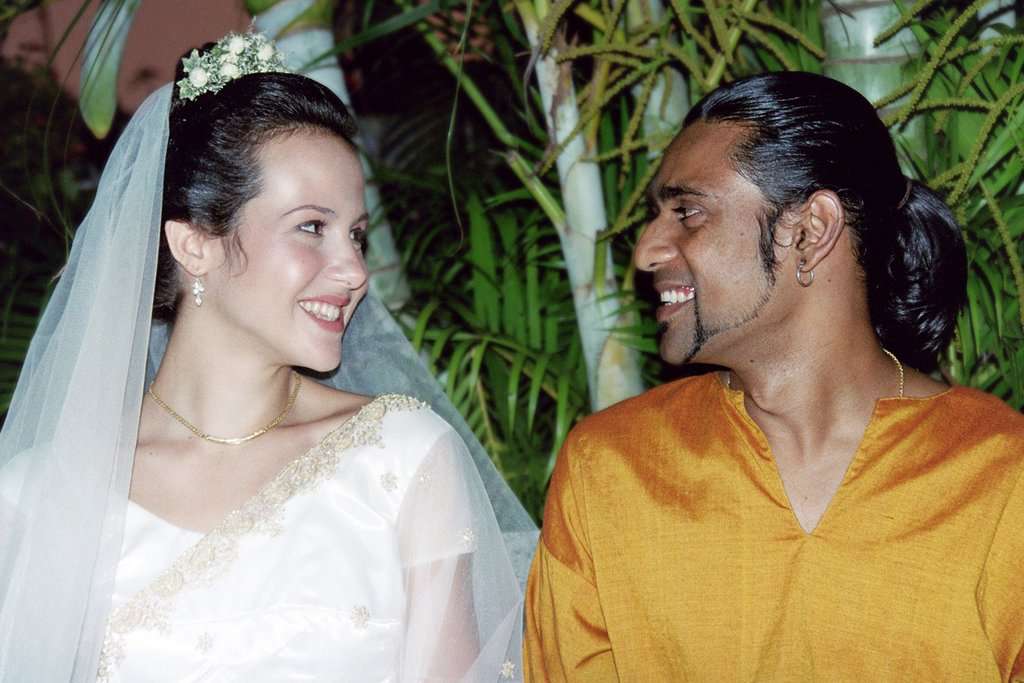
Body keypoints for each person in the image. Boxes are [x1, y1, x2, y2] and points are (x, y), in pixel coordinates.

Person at [0, 32, 534, 682]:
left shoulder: (401, 457)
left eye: (357, 235)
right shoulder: (41, 495)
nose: (354, 270)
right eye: (312, 227)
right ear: (195, 245)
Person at [524, 72, 1024, 680]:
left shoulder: (1001, 475)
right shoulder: (612, 470)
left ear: (811, 230)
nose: (647, 251)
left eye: (687, 212)